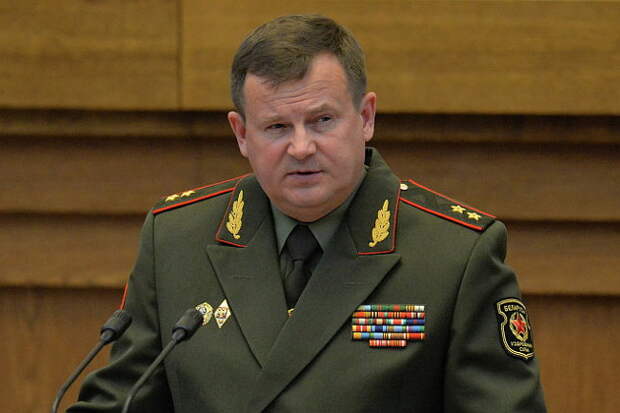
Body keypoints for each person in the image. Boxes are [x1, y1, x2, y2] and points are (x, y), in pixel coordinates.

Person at [69, 15, 546, 412]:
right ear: (241, 134)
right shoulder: (176, 239)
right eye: (277, 126)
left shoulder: (455, 255)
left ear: (365, 117)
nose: (301, 148)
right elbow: (122, 400)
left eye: (322, 121)